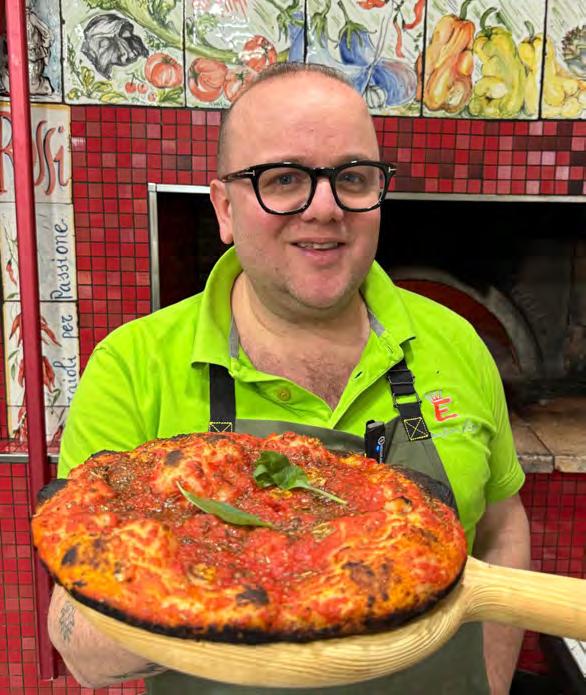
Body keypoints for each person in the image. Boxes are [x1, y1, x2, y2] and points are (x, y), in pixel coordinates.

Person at [47, 63, 530, 694]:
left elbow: (501, 526)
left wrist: (492, 684)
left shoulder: (455, 341)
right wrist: (239, 578)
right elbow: (80, 649)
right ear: (224, 209)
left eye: (352, 177)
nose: (325, 208)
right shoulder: (132, 364)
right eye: (283, 179)